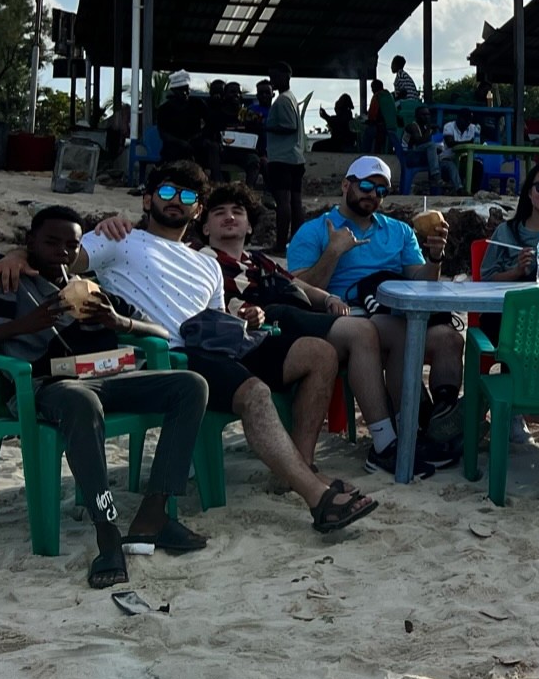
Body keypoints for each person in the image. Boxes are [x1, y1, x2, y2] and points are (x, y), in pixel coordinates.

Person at [0, 164, 379, 536]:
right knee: (255, 393)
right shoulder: (119, 239)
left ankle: (299, 467)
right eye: (167, 191)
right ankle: (317, 499)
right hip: (174, 353)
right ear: (147, 200)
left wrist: (244, 315)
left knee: (319, 353)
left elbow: (215, 316)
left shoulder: (205, 264)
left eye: (187, 194)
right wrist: (17, 256)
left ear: (198, 207)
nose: (176, 199)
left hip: (222, 341)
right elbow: (60, 258)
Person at [0, 205, 210, 588]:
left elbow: (157, 330)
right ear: (30, 243)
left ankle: (154, 514)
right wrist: (26, 325)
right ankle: (107, 533)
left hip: (106, 377)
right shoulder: (11, 285)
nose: (62, 251)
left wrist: (118, 322)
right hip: (47, 387)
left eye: (71, 245)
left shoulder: (90, 289)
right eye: (51, 242)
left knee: (191, 385)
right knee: (81, 402)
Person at [193, 183, 425, 478]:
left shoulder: (259, 261)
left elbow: (296, 284)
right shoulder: (199, 259)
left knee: (395, 329)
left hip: (287, 326)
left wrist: (327, 298)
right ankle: (384, 444)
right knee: (362, 331)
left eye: (237, 212)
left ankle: (408, 430)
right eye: (219, 213)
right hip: (259, 332)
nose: (229, 217)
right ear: (205, 227)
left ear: (250, 227)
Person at [285, 156, 465, 444]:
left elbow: (423, 283)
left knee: (449, 338)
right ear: (346, 185)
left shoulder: (400, 231)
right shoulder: (315, 230)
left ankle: (441, 418)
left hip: (392, 312)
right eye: (367, 185)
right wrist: (334, 252)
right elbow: (298, 290)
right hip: (345, 318)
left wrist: (435, 256)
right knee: (397, 329)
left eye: (381, 190)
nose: (373, 195)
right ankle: (414, 422)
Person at [263, 65, 306, 241]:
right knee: (295, 202)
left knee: (283, 202)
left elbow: (290, 126)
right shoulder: (291, 98)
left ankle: (280, 244)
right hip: (295, 158)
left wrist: (267, 126)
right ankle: (295, 243)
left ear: (285, 77)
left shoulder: (282, 100)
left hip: (282, 158)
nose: (271, 81)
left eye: (274, 77)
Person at [155, 71, 215, 175]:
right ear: (174, 91)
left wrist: (199, 136)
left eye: (187, 89)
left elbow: (210, 123)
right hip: (174, 145)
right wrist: (181, 143)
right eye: (182, 90)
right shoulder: (164, 109)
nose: (186, 92)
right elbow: (163, 134)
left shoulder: (197, 104)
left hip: (195, 144)